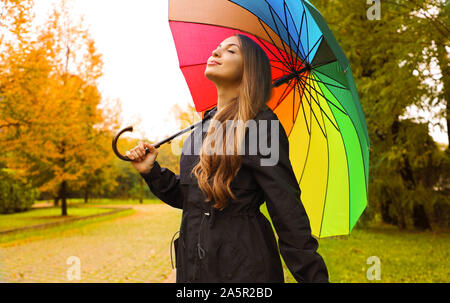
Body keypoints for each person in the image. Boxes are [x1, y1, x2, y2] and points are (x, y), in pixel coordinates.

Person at [127, 34, 329, 283]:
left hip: (244, 269)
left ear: (249, 70)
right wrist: (152, 172)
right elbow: (193, 199)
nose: (216, 52)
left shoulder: (260, 126)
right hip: (195, 270)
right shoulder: (201, 128)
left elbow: (286, 208)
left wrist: (314, 277)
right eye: (217, 47)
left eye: (231, 51)